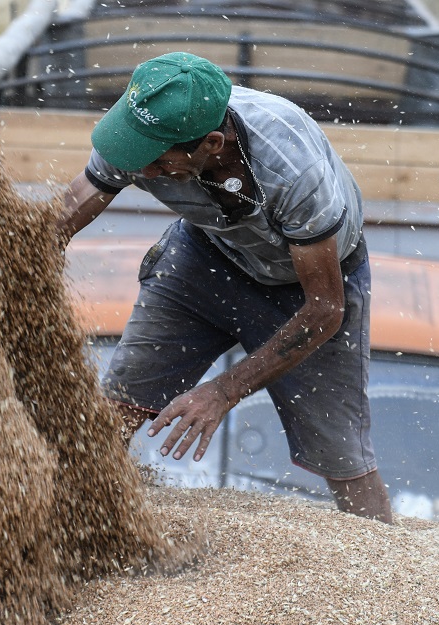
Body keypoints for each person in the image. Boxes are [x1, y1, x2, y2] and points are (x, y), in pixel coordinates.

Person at [56, 52, 392, 523]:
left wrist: (223, 391)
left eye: (155, 161)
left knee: (343, 456)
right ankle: (71, 531)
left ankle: (385, 568)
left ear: (211, 143)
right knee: (113, 411)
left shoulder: (293, 170)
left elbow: (325, 310)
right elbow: (69, 209)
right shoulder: (137, 136)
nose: (141, 169)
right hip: (206, 260)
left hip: (309, 289)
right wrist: (23, 257)